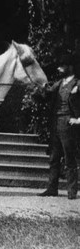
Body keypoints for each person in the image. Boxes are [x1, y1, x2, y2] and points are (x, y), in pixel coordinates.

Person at [38, 54, 80, 200]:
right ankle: (52, 188)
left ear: (70, 67)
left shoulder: (77, 84)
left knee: (69, 158)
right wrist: (40, 87)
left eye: (62, 66)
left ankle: (72, 191)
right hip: (55, 123)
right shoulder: (59, 83)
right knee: (54, 157)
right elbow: (47, 94)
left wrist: (78, 119)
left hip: (68, 124)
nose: (59, 68)